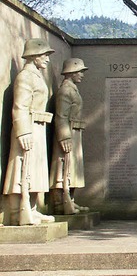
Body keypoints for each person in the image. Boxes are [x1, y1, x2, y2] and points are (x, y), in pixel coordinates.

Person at [3, 38, 56, 225]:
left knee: (35, 170)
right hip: (29, 127)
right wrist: (23, 132)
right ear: (34, 55)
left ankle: (32, 209)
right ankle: (18, 211)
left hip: (38, 127)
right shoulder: (25, 76)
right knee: (21, 169)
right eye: (44, 55)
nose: (47, 59)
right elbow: (19, 107)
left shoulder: (36, 76)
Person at [49, 58, 90, 215]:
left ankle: (70, 201)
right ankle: (60, 203)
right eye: (79, 71)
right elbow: (61, 116)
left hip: (74, 132)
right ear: (71, 72)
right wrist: (64, 137)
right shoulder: (65, 90)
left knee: (72, 169)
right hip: (67, 133)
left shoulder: (72, 89)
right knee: (62, 168)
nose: (82, 75)